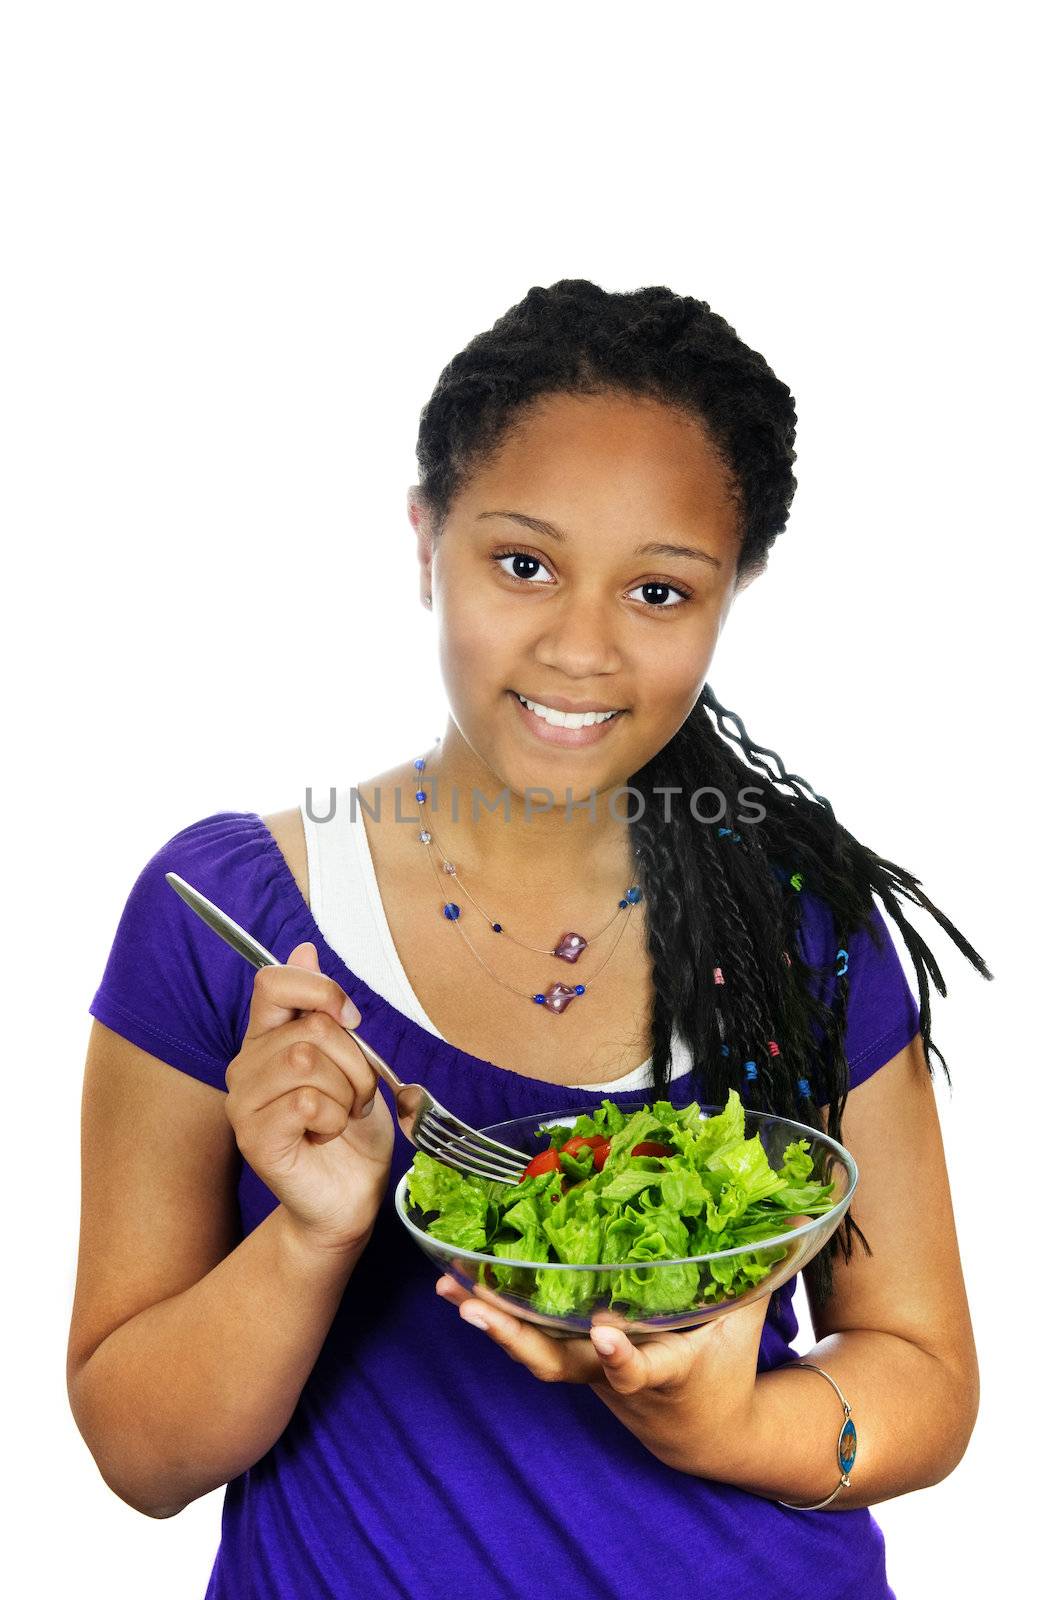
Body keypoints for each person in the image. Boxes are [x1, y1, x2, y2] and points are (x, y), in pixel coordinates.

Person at [68, 279, 989, 1600]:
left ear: (733, 592)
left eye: (660, 592)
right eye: (523, 564)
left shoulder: (799, 929)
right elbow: (137, 1458)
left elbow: (924, 1375)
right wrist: (308, 1238)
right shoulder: (223, 917)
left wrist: (725, 1426)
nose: (579, 648)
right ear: (424, 539)